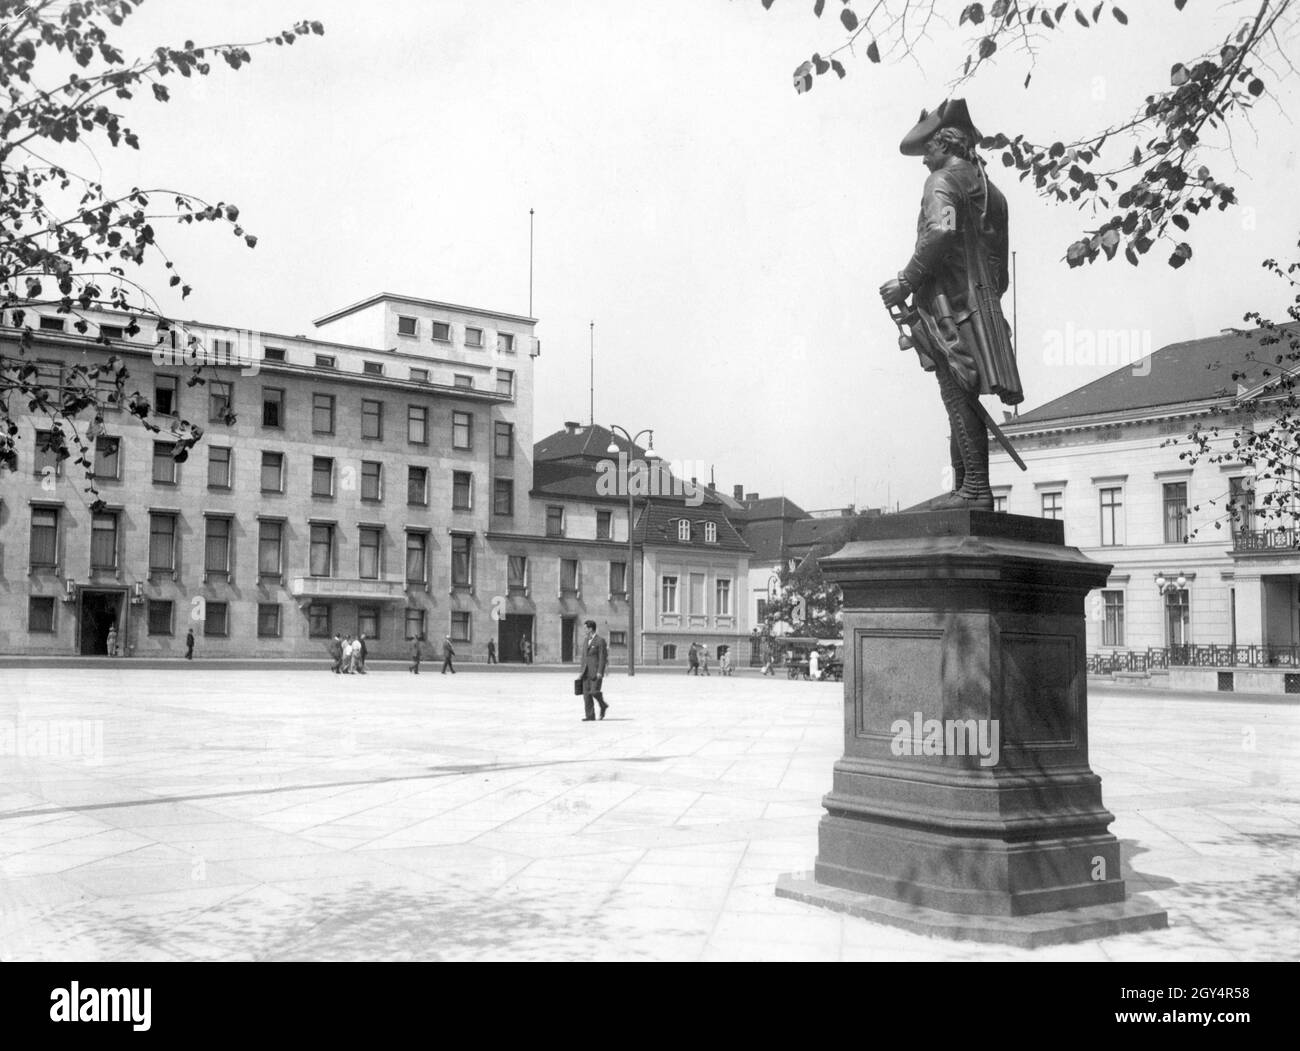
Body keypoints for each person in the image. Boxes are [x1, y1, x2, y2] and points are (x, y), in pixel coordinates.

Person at [878, 98, 1022, 510]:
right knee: (963, 394)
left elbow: (940, 232)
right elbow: (1001, 272)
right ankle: (968, 487)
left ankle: (974, 488)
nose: (925, 161)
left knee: (957, 395)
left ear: (944, 146)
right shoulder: (994, 195)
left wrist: (906, 281)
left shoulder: (941, 182)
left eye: (928, 151)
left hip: (949, 307)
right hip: (985, 309)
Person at [578, 618, 608, 721]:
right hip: (585, 672)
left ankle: (603, 705)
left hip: (595, 672)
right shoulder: (586, 640)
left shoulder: (600, 641)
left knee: (594, 692)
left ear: (590, 629)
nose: (584, 630)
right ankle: (590, 716)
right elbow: (583, 657)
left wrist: (600, 671)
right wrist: (581, 672)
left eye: (585, 628)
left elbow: (602, 657)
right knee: (586, 695)